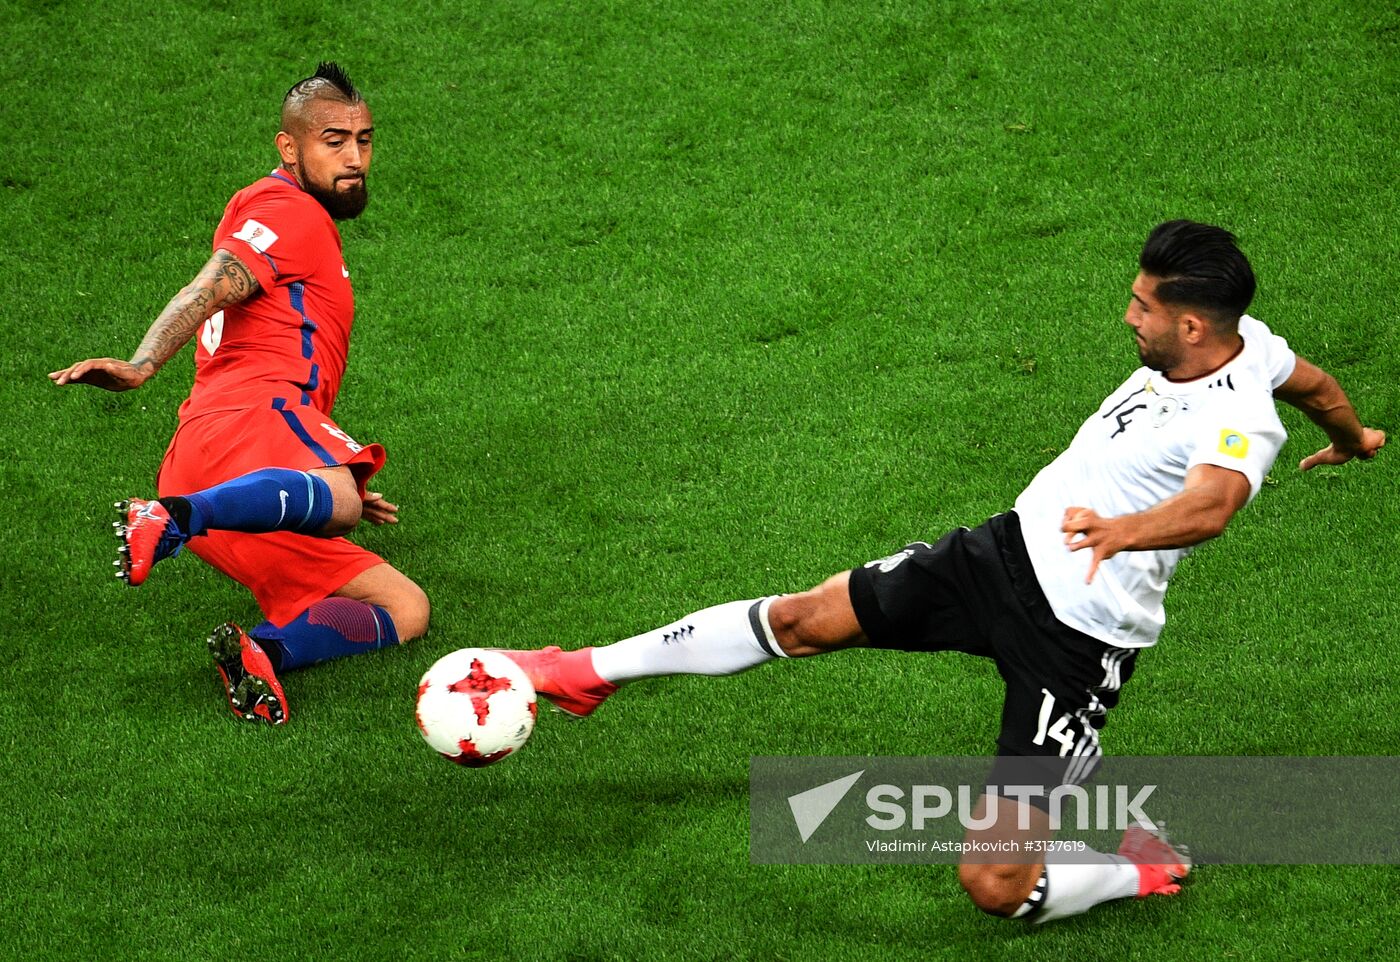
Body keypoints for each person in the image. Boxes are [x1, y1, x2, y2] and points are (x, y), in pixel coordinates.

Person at [499, 221, 1384, 923]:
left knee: (994, 885)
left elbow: (1214, 504)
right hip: (998, 555)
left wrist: (1124, 531)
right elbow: (1309, 381)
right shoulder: (1251, 344)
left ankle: (1132, 865)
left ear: (1191, 325)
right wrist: (1353, 438)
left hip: (1073, 643)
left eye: (1142, 307)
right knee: (806, 619)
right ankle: (585, 673)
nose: (1128, 318)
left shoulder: (1235, 418)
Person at [49, 62, 429, 727]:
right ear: (290, 147)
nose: (355, 157)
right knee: (338, 499)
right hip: (247, 419)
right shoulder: (285, 208)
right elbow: (211, 285)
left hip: (213, 455)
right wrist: (142, 364)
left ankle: (263, 654)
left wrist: (309, 484)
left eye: (364, 140)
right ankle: (173, 517)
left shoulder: (287, 214)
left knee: (404, 608)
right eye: (333, 140)